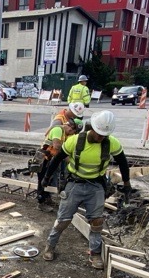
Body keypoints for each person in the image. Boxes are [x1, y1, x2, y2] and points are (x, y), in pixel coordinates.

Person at [42, 110, 132, 269]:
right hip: (74, 184)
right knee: (63, 220)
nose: (100, 138)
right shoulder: (75, 141)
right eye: (98, 134)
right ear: (92, 128)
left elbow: (123, 163)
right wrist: (47, 178)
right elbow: (57, 159)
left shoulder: (111, 143)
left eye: (104, 135)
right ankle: (50, 246)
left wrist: (126, 184)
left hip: (96, 186)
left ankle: (95, 254)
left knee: (96, 222)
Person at [36, 102, 86, 209]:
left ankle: (47, 198)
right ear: (69, 125)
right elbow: (58, 147)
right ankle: (41, 202)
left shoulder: (66, 132)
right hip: (45, 158)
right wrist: (69, 160)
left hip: (51, 158)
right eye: (72, 131)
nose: (72, 133)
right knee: (43, 179)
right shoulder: (58, 129)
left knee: (51, 179)